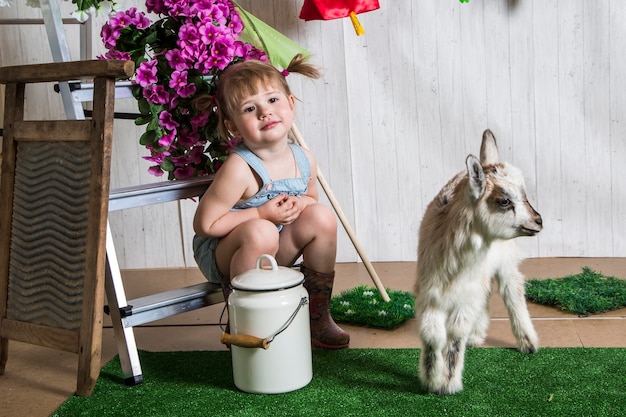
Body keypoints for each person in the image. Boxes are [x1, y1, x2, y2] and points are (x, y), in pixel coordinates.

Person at [192, 54, 350, 349]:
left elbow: (310, 198)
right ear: (234, 128)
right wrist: (262, 213)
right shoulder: (240, 168)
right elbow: (206, 224)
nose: (266, 112)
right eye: (250, 108)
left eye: (273, 101)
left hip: (274, 248)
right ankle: (245, 319)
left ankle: (318, 317)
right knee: (261, 230)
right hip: (226, 253)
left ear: (291, 104)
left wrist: (298, 206)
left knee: (321, 216)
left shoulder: (304, 158)